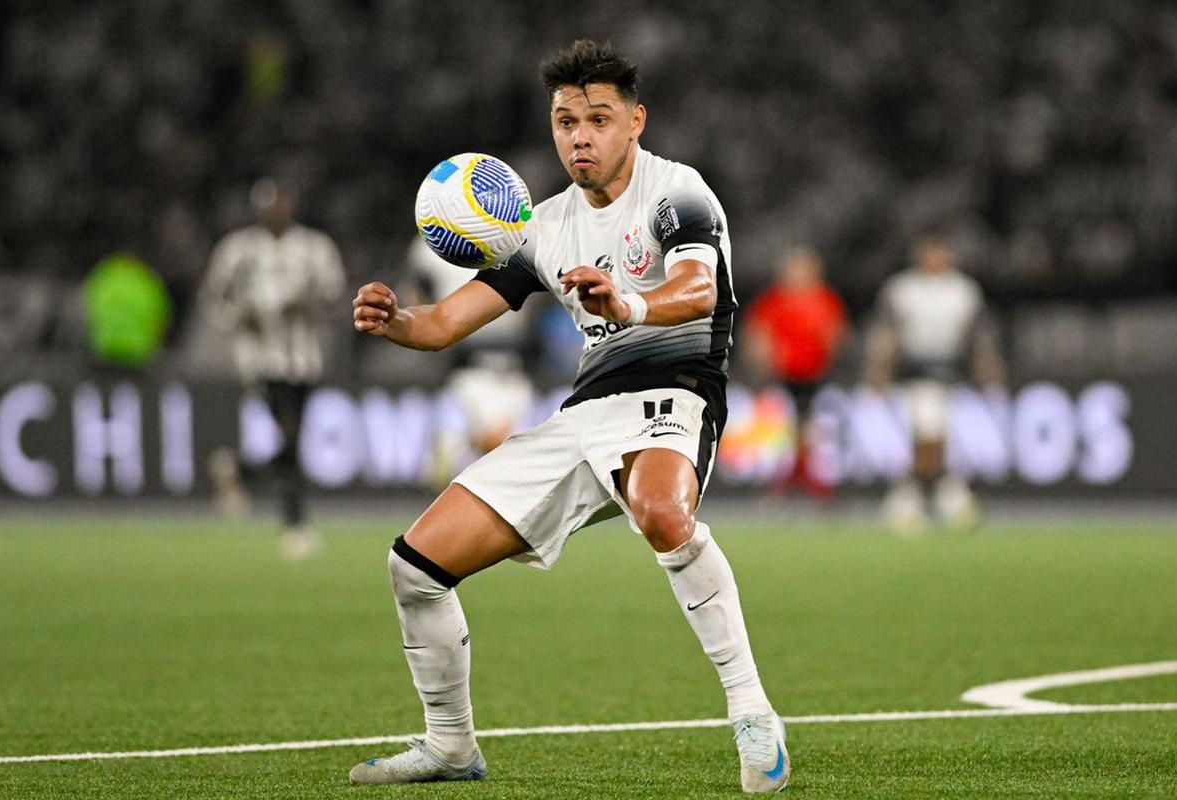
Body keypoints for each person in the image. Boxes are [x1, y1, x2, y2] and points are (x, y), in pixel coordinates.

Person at [348, 40, 789, 794]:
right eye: (565, 121)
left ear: (636, 122)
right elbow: (448, 322)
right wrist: (399, 320)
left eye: (598, 118)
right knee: (414, 567)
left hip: (675, 388)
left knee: (660, 511)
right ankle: (451, 746)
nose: (579, 135)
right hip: (586, 413)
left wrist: (630, 303)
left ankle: (753, 712)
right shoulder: (540, 226)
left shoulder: (678, 192)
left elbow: (699, 290)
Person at [200, 178, 346, 559]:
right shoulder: (238, 250)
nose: (277, 211)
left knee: (291, 440)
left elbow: (334, 296)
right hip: (261, 359)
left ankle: (240, 470)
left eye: (282, 203)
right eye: (270, 205)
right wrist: (237, 316)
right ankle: (294, 525)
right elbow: (214, 297)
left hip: (305, 358)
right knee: (290, 433)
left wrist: (307, 305)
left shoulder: (315, 247)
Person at [863, 234, 1005, 534]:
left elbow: (977, 333)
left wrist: (987, 366)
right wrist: (879, 370)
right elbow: (888, 332)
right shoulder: (903, 289)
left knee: (935, 443)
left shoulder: (963, 289)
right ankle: (943, 498)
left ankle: (914, 499)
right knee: (928, 440)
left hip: (951, 374)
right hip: (916, 374)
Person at [402, 235, 536, 482]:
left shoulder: (517, 232)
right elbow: (417, 295)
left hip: (515, 363)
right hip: (472, 363)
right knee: (503, 442)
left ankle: (455, 446)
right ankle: (455, 448)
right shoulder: (431, 240)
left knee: (506, 446)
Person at [742, 246, 848, 498]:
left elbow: (837, 333)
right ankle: (788, 481)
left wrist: (832, 349)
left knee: (810, 431)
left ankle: (808, 482)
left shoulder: (824, 299)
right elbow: (757, 332)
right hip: (783, 375)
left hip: (815, 375)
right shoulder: (773, 300)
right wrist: (763, 359)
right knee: (785, 430)